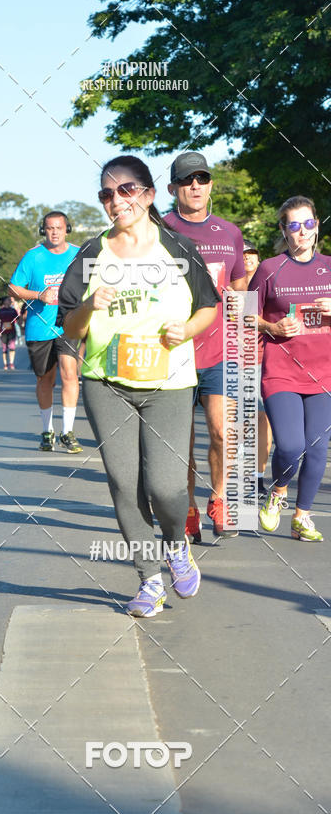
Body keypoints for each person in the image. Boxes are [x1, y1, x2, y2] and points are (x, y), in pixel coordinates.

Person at [59, 155, 219, 617]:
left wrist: (186, 332)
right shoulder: (92, 254)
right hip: (106, 383)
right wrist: (90, 304)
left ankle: (175, 545)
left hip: (168, 382)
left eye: (126, 190)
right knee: (123, 484)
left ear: (148, 195)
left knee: (167, 488)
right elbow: (70, 326)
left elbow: (208, 306)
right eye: (107, 194)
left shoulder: (178, 247)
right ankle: (149, 581)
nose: (117, 201)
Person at [164, 152, 246, 541]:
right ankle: (188, 508)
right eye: (186, 180)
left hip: (221, 349)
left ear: (211, 184)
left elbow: (241, 285)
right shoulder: (159, 230)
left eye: (201, 178)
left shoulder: (230, 232)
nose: (195, 186)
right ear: (172, 189)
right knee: (180, 442)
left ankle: (220, 500)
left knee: (221, 430)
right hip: (174, 351)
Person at [250, 196, 331, 542]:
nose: (303, 232)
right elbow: (241, 314)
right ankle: (279, 490)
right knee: (291, 445)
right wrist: (271, 327)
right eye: (294, 226)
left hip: (324, 373)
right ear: (283, 230)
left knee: (317, 447)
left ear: (317, 226)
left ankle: (302, 517)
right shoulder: (270, 268)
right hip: (281, 370)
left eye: (308, 224)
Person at [9, 211, 82, 453]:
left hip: (69, 324)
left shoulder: (78, 254)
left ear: (66, 229)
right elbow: (14, 287)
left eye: (59, 228)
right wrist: (38, 295)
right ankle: (47, 430)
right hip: (39, 327)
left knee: (70, 374)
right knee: (45, 380)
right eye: (49, 228)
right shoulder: (33, 257)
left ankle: (68, 431)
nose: (54, 232)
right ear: (44, 230)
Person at [243, 240, 272, 499]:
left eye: (252, 253)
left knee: (262, 420)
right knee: (240, 421)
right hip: (234, 360)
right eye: (243, 255)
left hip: (264, 359)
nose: (248, 258)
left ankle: (257, 478)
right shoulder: (228, 287)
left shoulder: (269, 282)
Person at [0, 295, 18, 369]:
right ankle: (5, 364)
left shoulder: (13, 310)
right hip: (3, 332)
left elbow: (18, 319)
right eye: (8, 300)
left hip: (12, 331)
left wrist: (22, 326)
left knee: (12, 347)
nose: (10, 301)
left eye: (10, 300)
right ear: (4, 301)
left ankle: (11, 363)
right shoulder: (0, 310)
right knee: (4, 348)